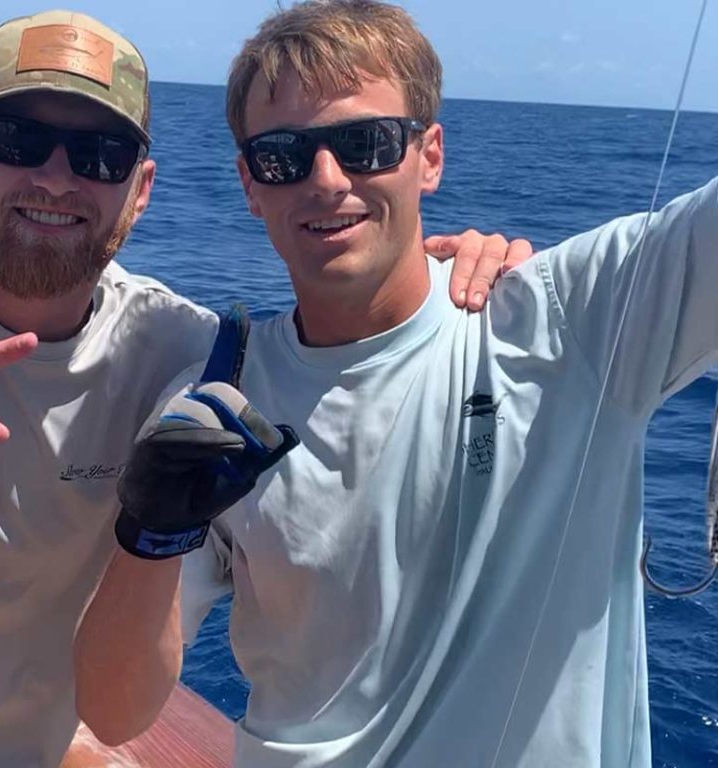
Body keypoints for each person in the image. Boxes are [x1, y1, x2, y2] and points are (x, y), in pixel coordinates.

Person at [0, 9, 526, 768]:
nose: (56, 178)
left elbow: (351, 369)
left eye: (101, 155)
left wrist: (458, 282)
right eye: (18, 138)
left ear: (141, 190)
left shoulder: (185, 355)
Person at [112, 1, 718, 767]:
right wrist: (149, 531)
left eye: (365, 144)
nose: (326, 180)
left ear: (428, 155)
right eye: (282, 156)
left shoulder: (574, 319)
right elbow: (116, 705)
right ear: (249, 183)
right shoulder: (217, 401)